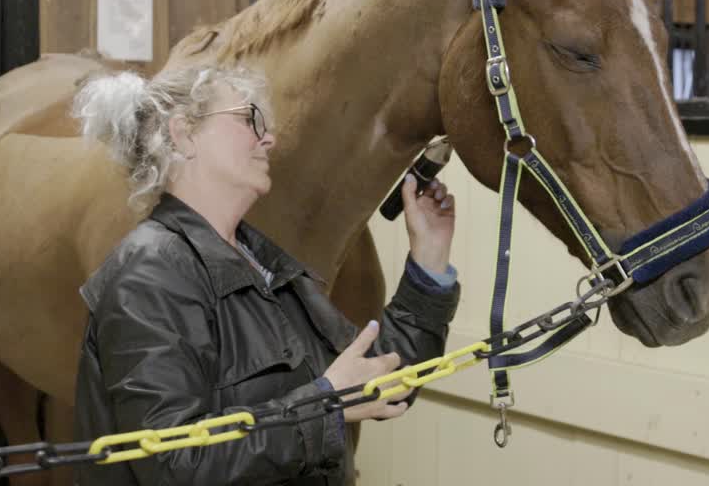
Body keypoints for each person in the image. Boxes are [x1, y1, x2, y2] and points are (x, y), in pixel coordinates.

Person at [70, 64, 460, 486]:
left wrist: (429, 259)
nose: (269, 137)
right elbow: (176, 465)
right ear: (183, 134)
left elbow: (380, 378)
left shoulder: (262, 261)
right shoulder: (147, 275)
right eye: (248, 118)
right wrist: (323, 403)